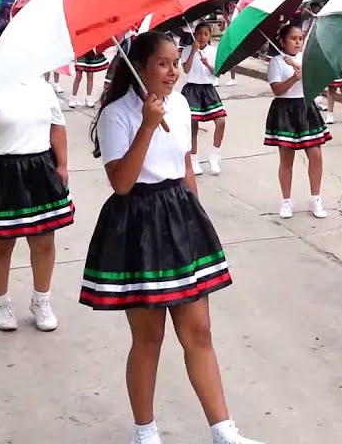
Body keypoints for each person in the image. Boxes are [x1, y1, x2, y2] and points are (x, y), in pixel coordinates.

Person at [82, 31, 264, 444]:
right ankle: (145, 431)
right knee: (149, 337)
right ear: (140, 67)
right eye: (162, 63)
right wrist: (146, 126)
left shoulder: (180, 104)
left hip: (179, 216)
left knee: (199, 331)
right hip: (137, 223)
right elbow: (122, 183)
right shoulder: (117, 114)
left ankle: (223, 430)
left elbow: (184, 164)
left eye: (175, 62)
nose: (173, 71)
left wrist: (196, 217)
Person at [0, 26, 75, 331]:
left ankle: (41, 300)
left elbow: (56, 126)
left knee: (44, 241)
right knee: (1, 243)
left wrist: (62, 165)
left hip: (39, 169)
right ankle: (0, 303)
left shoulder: (40, 85)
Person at [264, 24, 330, 219]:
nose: (298, 42)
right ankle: (286, 200)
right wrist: (294, 77)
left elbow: (318, 81)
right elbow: (277, 90)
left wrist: (301, 68)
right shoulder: (276, 62)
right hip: (284, 110)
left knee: (315, 154)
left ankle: (315, 198)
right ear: (283, 41)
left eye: (300, 38)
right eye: (293, 38)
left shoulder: (305, 59)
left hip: (305, 108)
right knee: (286, 158)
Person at [182, 23, 228, 176]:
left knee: (221, 121)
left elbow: (217, 73)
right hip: (192, 89)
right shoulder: (188, 49)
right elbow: (186, 69)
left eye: (205, 34)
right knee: (192, 125)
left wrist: (208, 64)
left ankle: (214, 155)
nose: (202, 37)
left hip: (208, 89)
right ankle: (193, 158)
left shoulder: (213, 51)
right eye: (199, 33)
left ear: (210, 36)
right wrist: (193, 51)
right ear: (194, 35)